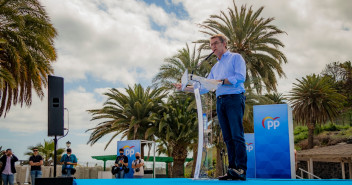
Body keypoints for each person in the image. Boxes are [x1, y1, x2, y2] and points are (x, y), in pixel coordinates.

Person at [175, 34, 247, 180]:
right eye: (211, 45)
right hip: (220, 101)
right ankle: (232, 169)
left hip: (234, 98)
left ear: (224, 43)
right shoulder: (215, 66)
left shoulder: (236, 58)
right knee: (227, 137)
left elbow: (240, 77)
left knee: (236, 135)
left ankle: (241, 169)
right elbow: (204, 87)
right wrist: (184, 88)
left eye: (215, 43)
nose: (213, 47)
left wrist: (221, 81)